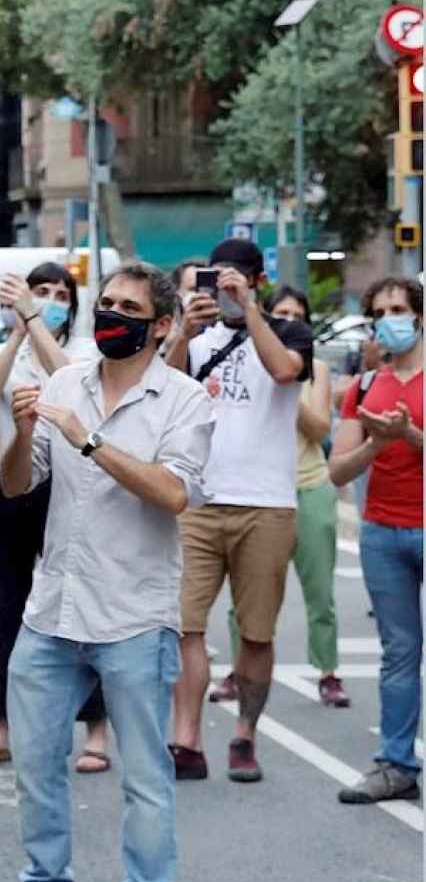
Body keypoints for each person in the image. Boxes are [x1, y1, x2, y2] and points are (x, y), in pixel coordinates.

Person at [0, 262, 211, 882]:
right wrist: (22, 433)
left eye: (128, 307)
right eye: (104, 302)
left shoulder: (184, 400)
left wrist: (89, 438)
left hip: (134, 614)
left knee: (143, 777)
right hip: (54, 608)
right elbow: (20, 486)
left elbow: (172, 493)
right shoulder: (65, 380)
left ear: (160, 327)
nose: (111, 313)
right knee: (36, 762)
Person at [164, 238, 314, 783]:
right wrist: (183, 327)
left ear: (256, 281)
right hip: (199, 501)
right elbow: (164, 385)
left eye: (235, 278)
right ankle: (186, 739)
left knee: (255, 633)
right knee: (185, 627)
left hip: (266, 505)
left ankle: (246, 734)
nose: (223, 288)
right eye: (216, 278)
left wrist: (249, 309)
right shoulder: (197, 333)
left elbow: (282, 372)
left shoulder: (290, 330)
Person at [0, 266, 110, 772]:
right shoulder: (0, 348)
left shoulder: (89, 351)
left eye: (58, 294)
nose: (49, 299)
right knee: (0, 603)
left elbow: (73, 383)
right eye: (40, 291)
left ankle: (95, 728)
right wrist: (17, 335)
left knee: (79, 603)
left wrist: (37, 321)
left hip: (68, 484)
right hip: (6, 479)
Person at [209, 286, 346, 707]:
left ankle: (328, 671)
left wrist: (286, 390)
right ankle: (236, 668)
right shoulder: (246, 354)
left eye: (296, 313)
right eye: (281, 311)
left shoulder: (313, 369)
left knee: (319, 591)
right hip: (261, 493)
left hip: (306, 486)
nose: (289, 317)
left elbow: (321, 429)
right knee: (246, 597)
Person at [329, 277, 423, 805]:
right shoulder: (366, 387)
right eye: (381, 311)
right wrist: (377, 444)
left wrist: (410, 437)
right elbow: (338, 471)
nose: (391, 319)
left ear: (421, 316)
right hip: (383, 533)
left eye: (400, 309)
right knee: (399, 654)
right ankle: (395, 765)